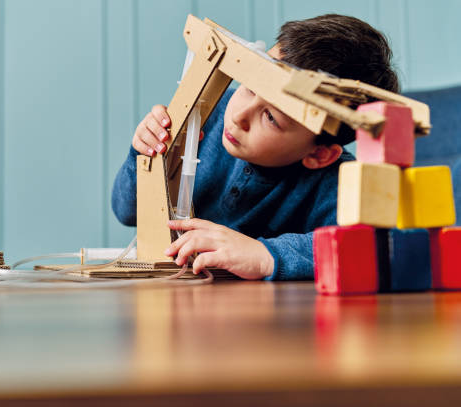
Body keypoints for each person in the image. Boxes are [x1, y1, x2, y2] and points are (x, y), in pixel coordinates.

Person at [111, 14, 400, 280]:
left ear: (319, 154)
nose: (238, 115)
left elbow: (372, 246)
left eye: (271, 117)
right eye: (250, 87)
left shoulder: (338, 183)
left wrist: (265, 256)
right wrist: (144, 153)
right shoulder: (206, 114)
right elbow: (126, 211)